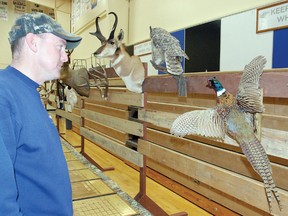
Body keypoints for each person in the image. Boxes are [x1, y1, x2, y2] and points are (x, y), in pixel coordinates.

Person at [0, 12, 82, 215]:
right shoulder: (4, 95)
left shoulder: (26, 90)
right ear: (33, 42)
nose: (65, 56)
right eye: (60, 46)